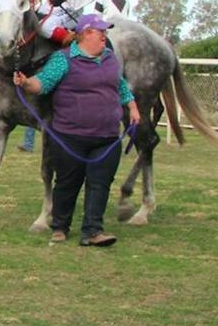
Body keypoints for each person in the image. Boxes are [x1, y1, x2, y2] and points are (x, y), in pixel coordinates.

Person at [13, 14, 140, 247]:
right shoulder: (63, 60)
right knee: (67, 183)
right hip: (70, 136)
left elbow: (120, 85)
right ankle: (60, 226)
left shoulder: (110, 58)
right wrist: (26, 82)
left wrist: (132, 106)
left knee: (100, 183)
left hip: (108, 136)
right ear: (85, 34)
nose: (105, 35)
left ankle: (93, 231)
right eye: (100, 31)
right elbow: (42, 83)